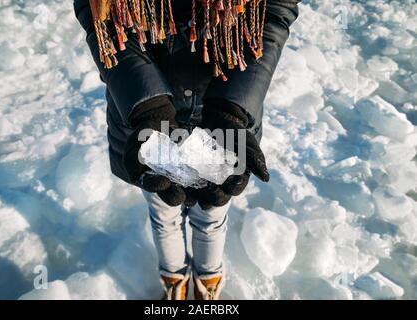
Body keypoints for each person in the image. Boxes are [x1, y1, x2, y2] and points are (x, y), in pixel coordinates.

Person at [73, 0, 300, 300]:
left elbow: (274, 10)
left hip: (221, 114)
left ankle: (204, 283)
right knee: (168, 211)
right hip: (147, 121)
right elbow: (99, 14)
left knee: (207, 212)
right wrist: (147, 104)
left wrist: (233, 107)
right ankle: (176, 282)